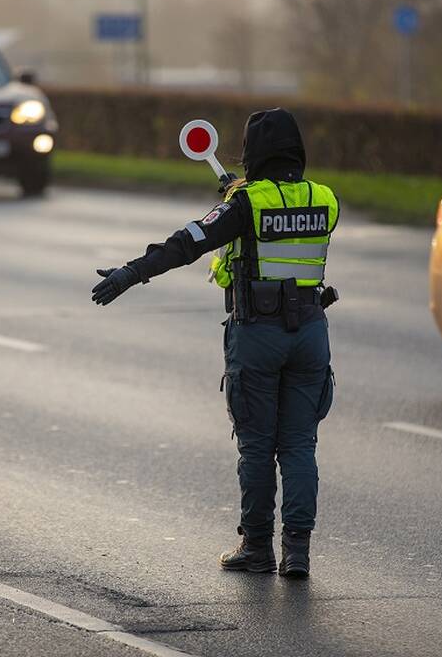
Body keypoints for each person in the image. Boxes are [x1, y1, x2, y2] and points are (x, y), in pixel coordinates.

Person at [91, 108, 337, 579]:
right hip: (310, 333)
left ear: (253, 155)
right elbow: (283, 216)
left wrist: (131, 272)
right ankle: (298, 554)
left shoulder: (244, 204)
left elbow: (189, 242)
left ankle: (258, 548)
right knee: (301, 446)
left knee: (258, 446)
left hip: (258, 334)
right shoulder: (326, 199)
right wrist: (240, 197)